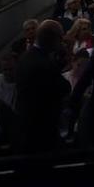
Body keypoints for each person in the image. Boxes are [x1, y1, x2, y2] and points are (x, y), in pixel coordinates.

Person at [14, 19, 71, 153]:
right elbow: (63, 88)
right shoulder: (43, 64)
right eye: (60, 38)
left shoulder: (26, 57)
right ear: (52, 39)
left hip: (26, 126)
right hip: (41, 130)